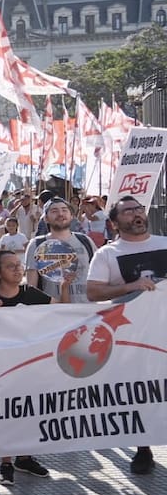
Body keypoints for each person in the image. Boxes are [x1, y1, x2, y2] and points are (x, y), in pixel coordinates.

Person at [85, 195, 167, 475]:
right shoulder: (107, 254)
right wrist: (130, 286)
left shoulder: (164, 243)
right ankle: (143, 448)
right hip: (134, 336)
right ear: (115, 222)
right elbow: (94, 292)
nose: (137, 214)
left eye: (139, 209)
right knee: (142, 390)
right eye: (129, 211)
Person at [0, 249, 60, 485]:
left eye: (19, 264)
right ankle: (5, 463)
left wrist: (63, 286)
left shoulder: (30, 293)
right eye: (10, 266)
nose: (18, 269)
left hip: (29, 366)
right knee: (6, 414)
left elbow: (62, 311)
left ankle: (25, 458)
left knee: (28, 411)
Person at [24, 196, 96, 304]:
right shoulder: (36, 244)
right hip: (55, 313)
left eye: (64, 210)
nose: (60, 214)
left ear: (71, 216)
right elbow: (32, 288)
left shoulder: (85, 241)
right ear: (46, 218)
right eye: (54, 211)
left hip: (87, 311)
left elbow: (98, 276)